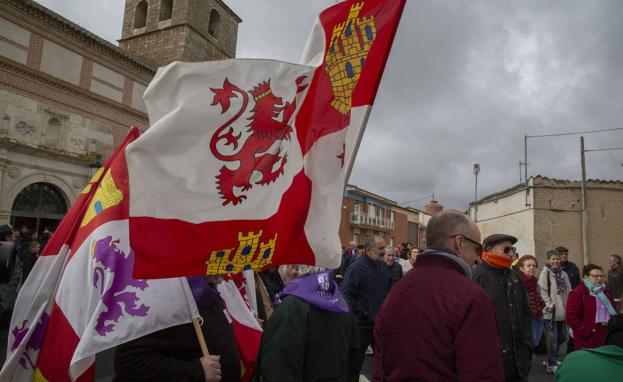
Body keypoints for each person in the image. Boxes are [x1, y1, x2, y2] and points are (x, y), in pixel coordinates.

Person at [373, 210, 503, 381]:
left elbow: (380, 365)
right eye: (478, 249)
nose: (479, 258)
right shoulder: (472, 297)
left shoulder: (397, 290)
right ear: (460, 243)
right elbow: (483, 374)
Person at [113, 276, 240, 382]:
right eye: (220, 254)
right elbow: (128, 361)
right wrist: (197, 371)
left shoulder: (209, 290)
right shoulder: (165, 300)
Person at [256, 265, 358, 381]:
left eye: (281, 264)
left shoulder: (291, 307)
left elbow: (277, 368)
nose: (278, 269)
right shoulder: (341, 300)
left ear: (292, 268)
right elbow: (354, 350)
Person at [473, 234, 532, 382]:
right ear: (488, 250)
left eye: (513, 249)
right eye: (506, 249)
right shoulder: (476, 277)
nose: (512, 254)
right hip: (490, 365)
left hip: (519, 363)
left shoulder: (515, 277)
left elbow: (525, 311)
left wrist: (527, 345)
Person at [342, 235, 391, 382]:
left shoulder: (383, 268)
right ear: (369, 251)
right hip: (361, 327)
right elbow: (347, 294)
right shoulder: (355, 269)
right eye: (381, 248)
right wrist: (363, 312)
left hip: (380, 325)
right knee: (354, 366)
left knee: (385, 364)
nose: (385, 251)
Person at [555, 314, 623, 382]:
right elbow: (571, 316)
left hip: (599, 343)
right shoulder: (574, 360)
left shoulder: (571, 360)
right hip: (588, 343)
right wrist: (587, 332)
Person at [566, 264, 616, 351]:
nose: (599, 278)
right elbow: (571, 317)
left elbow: (613, 314)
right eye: (595, 276)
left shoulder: (606, 293)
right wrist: (587, 332)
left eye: (601, 276)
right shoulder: (578, 293)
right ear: (586, 277)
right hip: (586, 340)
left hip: (605, 339)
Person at [539, 250, 571, 374]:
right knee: (553, 340)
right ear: (548, 260)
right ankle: (551, 363)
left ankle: (551, 358)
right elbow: (543, 292)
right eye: (553, 259)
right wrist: (550, 306)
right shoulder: (545, 274)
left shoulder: (563, 274)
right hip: (551, 312)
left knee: (564, 337)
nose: (556, 261)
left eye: (557, 259)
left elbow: (569, 291)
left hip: (563, 312)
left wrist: (569, 306)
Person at [517, 255, 546, 351]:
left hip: (536, 319)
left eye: (534, 266)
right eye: (529, 266)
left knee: (532, 347)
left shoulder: (536, 284)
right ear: (521, 268)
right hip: (523, 322)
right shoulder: (517, 283)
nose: (532, 268)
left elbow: (539, 301)